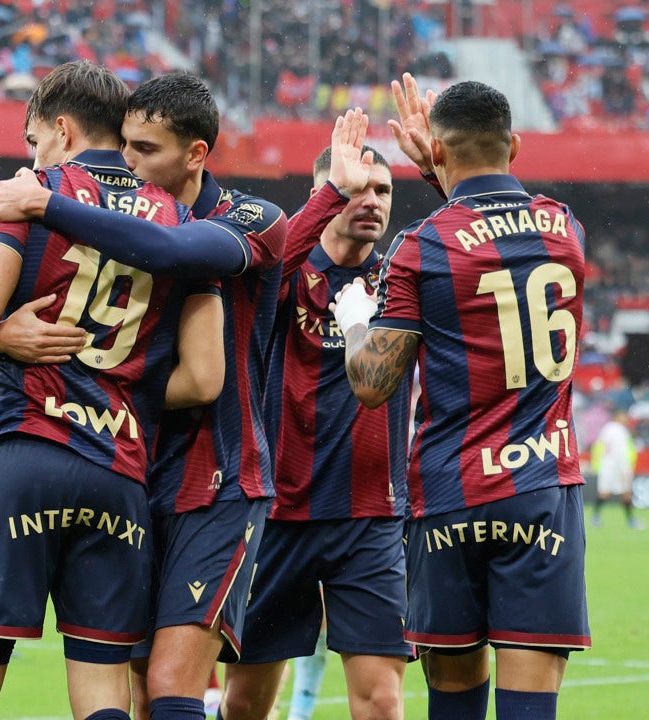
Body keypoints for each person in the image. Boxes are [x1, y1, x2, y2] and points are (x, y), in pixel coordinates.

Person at [0, 60, 226, 720]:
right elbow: (202, 378)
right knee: (103, 693)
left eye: (33, 140)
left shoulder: (32, 195)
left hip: (22, 450)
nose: (31, 155)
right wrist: (113, 379)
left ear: (60, 128)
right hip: (118, 471)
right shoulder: (176, 221)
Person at [0, 72, 290, 720]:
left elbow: (172, 249)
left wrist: (45, 203)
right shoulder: (116, 214)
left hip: (219, 478)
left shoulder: (249, 220)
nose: (127, 162)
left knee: (177, 681)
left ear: (196, 154)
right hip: (130, 466)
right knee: (140, 685)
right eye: (123, 145)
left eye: (145, 150)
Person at [337, 79, 590, 720]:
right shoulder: (567, 230)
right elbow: (499, 228)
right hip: (540, 491)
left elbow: (372, 386)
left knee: (453, 702)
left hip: (451, 498)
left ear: (439, 153)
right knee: (531, 704)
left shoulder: (421, 246)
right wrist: (442, 169)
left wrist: (356, 324)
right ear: (517, 145)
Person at [221, 118, 410, 720]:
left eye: (382, 190)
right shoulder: (286, 277)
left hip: (370, 519)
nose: (372, 201)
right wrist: (327, 193)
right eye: (357, 189)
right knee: (247, 702)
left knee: (381, 701)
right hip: (280, 514)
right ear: (326, 192)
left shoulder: (401, 279)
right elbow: (267, 257)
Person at [591, 408, 641, 528]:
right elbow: (616, 450)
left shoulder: (614, 429)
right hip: (614, 466)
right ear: (618, 416)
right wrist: (624, 469)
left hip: (610, 465)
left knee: (621, 493)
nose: (626, 419)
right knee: (610, 493)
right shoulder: (615, 429)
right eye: (624, 416)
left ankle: (597, 518)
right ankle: (597, 517)